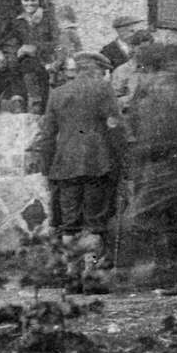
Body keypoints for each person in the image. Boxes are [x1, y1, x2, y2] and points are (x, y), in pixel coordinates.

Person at [27, 50, 125, 292]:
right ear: (95, 69)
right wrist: (122, 160)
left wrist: (48, 168)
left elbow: (47, 134)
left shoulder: (58, 93)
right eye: (102, 71)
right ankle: (90, 277)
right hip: (97, 165)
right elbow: (115, 127)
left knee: (70, 223)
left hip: (64, 167)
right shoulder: (103, 89)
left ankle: (72, 277)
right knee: (94, 222)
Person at [120, 44, 177, 292]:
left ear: (146, 67)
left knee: (136, 219)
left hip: (165, 164)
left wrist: (142, 154)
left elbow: (156, 133)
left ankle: (146, 271)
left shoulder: (158, 88)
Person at [4, 0, 60, 112]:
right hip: (25, 63)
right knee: (16, 63)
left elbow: (57, 43)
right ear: (21, 1)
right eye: (26, 0)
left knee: (29, 63)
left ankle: (36, 101)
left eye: (33, 0)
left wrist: (35, 47)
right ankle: (21, 101)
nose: (29, 3)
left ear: (39, 1)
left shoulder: (48, 19)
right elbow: (12, 41)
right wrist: (17, 50)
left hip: (44, 61)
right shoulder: (18, 21)